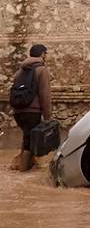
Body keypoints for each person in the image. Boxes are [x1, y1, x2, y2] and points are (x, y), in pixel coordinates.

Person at [10, 44, 51, 172]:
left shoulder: (20, 70)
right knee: (29, 140)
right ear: (43, 54)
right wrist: (47, 115)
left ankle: (23, 163)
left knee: (27, 136)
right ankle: (23, 170)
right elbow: (44, 94)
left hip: (18, 110)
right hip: (32, 111)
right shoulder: (42, 70)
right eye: (46, 53)